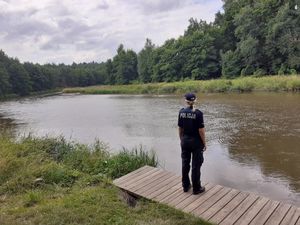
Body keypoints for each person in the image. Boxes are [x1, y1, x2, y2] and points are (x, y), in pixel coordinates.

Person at [178, 93, 206, 194]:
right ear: (195, 100)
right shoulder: (198, 113)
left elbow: (180, 128)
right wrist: (204, 143)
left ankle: (185, 186)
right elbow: (201, 131)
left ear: (185, 100)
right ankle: (196, 188)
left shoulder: (181, 112)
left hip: (185, 141)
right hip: (196, 143)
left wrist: (181, 139)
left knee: (185, 163)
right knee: (196, 165)